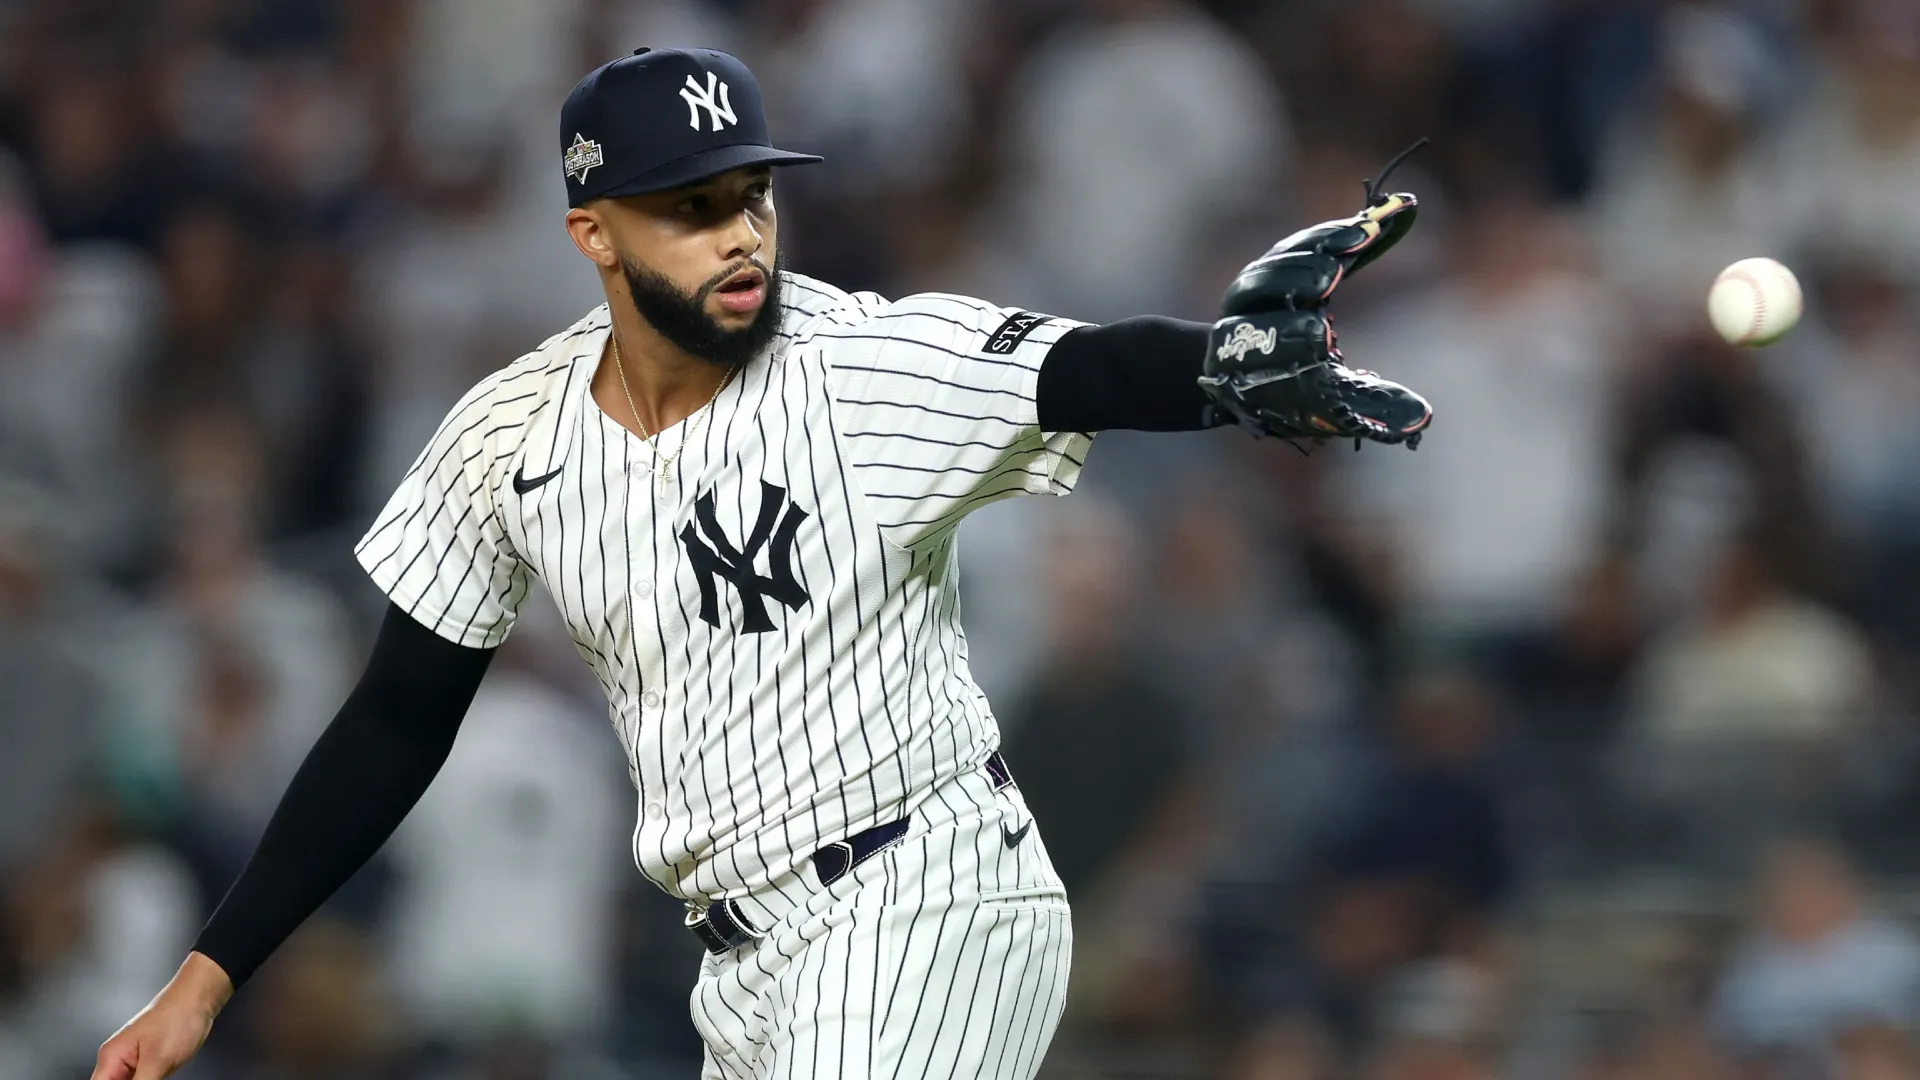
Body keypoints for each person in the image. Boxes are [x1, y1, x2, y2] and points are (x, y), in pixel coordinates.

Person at [90, 47, 1430, 1080]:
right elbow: (396, 717)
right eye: (691, 206)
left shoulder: (854, 366)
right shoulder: (508, 434)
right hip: (742, 962)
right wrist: (210, 974)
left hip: (925, 895)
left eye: (752, 193)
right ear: (595, 234)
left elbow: (1078, 367)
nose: (741, 233)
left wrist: (1217, 367)